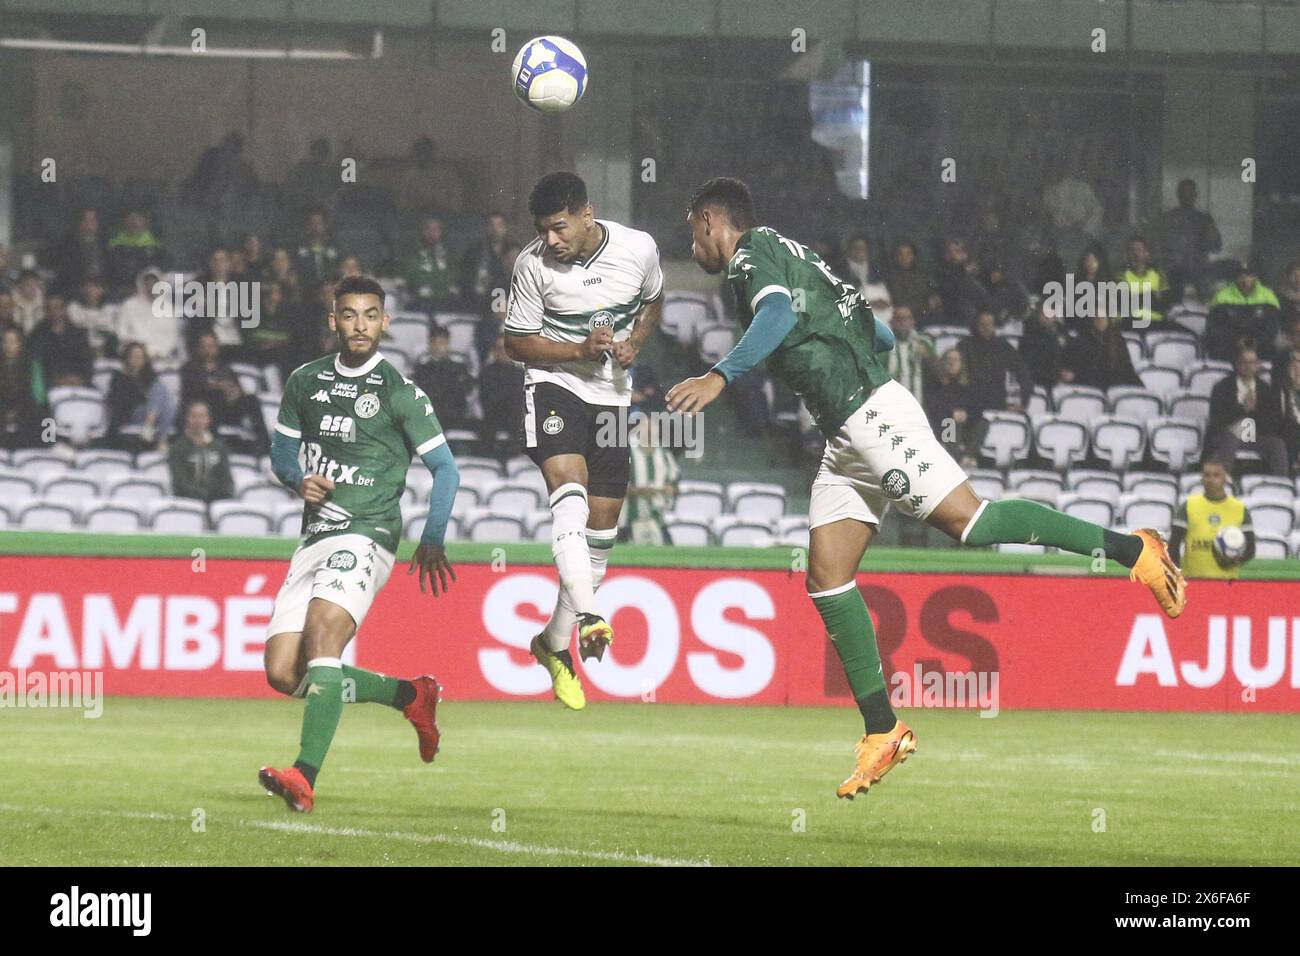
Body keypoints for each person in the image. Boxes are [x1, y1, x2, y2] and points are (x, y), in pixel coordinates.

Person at [666, 177, 1187, 801]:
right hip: (847, 431)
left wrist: (723, 375)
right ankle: (882, 731)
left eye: (689, 226)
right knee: (828, 576)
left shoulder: (752, 260)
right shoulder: (791, 249)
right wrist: (849, 352)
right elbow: (877, 329)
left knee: (973, 522)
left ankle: (1135, 551)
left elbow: (778, 313)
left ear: (708, 219)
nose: (689, 239)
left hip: (869, 414)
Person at [257, 274, 460, 814]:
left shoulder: (400, 392)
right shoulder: (305, 381)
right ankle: (411, 696)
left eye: (371, 314)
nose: (360, 325)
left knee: (324, 638)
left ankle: (303, 775)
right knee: (282, 671)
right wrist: (296, 478)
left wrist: (433, 535)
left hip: (368, 532)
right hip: (313, 537)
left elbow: (445, 469)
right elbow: (281, 454)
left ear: (385, 321)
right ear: (334, 321)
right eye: (349, 315)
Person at [504, 171, 664, 710]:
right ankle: (592, 615)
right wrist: (576, 351)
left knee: (600, 538)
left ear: (586, 214)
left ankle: (552, 644)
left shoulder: (638, 249)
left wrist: (635, 342)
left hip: (614, 399)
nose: (551, 240)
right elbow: (516, 344)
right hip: (556, 388)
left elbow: (652, 301)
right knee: (567, 495)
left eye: (559, 228)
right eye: (544, 231)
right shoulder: (531, 266)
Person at [1207, 342, 1288, 476]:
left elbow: (1272, 423)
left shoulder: (1265, 389)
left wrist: (1254, 411)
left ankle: (1281, 483)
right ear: (1237, 364)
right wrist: (1242, 409)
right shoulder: (1222, 387)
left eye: (1252, 362)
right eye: (1244, 362)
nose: (1248, 366)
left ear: (1257, 365)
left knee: (1277, 444)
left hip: (1255, 434)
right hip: (1226, 434)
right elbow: (1217, 420)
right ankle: (1222, 478)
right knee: (1232, 435)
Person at [1169, 458, 1254, 579]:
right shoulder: (1188, 506)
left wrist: (1232, 562)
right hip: (1194, 581)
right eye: (1207, 475)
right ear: (1202, 478)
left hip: (1227, 582)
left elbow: (1250, 549)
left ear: (1225, 478)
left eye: (1216, 475)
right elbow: (1173, 545)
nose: (1211, 479)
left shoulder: (1240, 509)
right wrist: (1177, 574)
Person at [105, 341, 176, 451]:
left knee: (167, 400)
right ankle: (161, 440)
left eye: (140, 357)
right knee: (165, 397)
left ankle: (152, 431)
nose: (137, 360)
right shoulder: (119, 377)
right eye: (134, 356)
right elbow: (120, 403)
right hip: (131, 414)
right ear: (127, 358)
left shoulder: (149, 376)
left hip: (151, 414)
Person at [1157, 179, 1222, 297]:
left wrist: (1209, 232)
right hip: (1174, 274)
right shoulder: (1167, 219)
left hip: (1199, 274)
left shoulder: (1204, 219)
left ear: (1196, 195)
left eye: (1190, 193)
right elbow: (1160, 247)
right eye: (1184, 193)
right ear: (1178, 195)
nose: (1187, 196)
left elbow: (1216, 246)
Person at [168, 399, 236, 503]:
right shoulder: (178, 448)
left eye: (202, 416)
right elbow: (180, 483)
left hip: (216, 501)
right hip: (187, 502)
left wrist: (219, 496)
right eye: (194, 416)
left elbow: (226, 480)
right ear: (187, 419)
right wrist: (204, 497)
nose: (198, 421)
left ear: (208, 419)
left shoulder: (218, 447)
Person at [412, 326, 473, 430]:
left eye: (441, 343)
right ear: (429, 344)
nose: (437, 346)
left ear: (448, 344)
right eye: (434, 342)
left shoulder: (460, 368)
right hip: (428, 415)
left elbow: (467, 390)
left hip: (454, 415)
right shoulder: (421, 369)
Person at [1059, 313, 1142, 389]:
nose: (1100, 320)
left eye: (1103, 317)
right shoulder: (1081, 341)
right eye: (1097, 317)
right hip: (1091, 387)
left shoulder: (1117, 341)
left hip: (1116, 386)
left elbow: (1127, 369)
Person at [27, 292, 93, 387]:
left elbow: (87, 363)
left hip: (80, 384)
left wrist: (80, 380)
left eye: (57, 307)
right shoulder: (37, 335)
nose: (54, 312)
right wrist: (57, 381)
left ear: (65, 308)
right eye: (49, 309)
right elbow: (37, 367)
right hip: (51, 387)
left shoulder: (79, 334)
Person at [0, 326, 48, 450]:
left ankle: (49, 446)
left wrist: (17, 411)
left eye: (13, 342)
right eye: (5, 342)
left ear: (20, 344)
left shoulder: (32, 364)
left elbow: (39, 396)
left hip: (25, 409)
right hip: (2, 408)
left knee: (46, 414)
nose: (8, 346)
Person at [399, 217, 458, 313]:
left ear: (441, 232)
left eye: (435, 230)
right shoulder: (412, 253)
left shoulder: (448, 254)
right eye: (428, 229)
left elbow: (453, 276)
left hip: (445, 301)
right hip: (420, 301)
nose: (431, 233)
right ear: (422, 232)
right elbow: (413, 276)